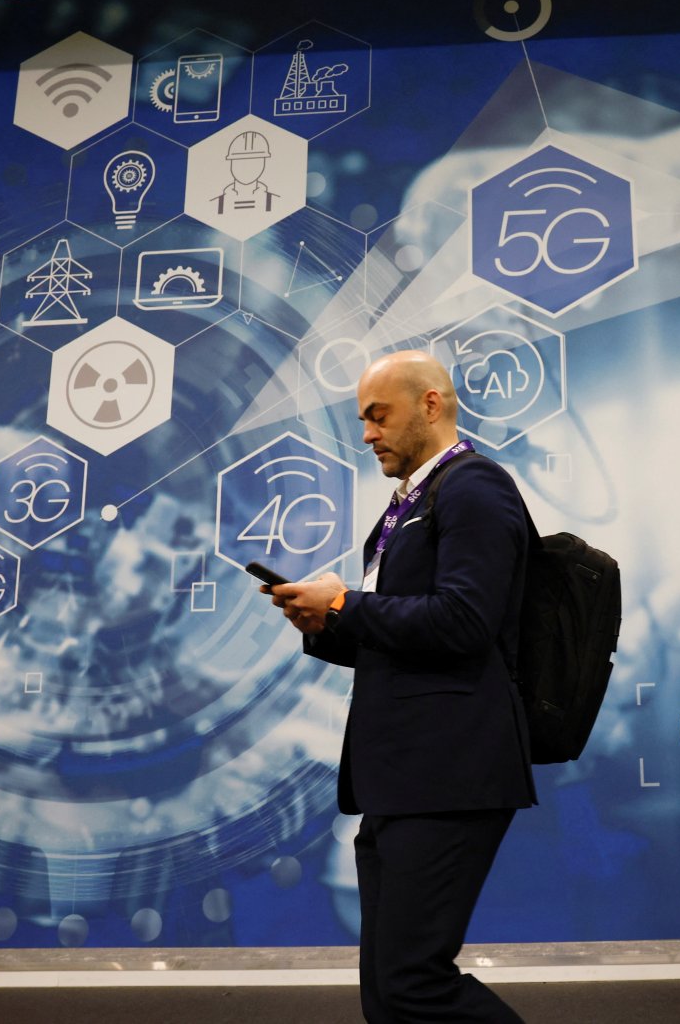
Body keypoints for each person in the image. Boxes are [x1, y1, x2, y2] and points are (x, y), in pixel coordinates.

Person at [266, 350, 535, 1023]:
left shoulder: (474, 487)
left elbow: (465, 622)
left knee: (415, 983)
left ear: (432, 405)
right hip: (403, 777)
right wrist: (324, 622)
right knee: (388, 996)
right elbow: (405, 640)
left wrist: (343, 606)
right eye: (362, 419)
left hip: (448, 773)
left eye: (378, 415)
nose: (367, 433)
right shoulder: (408, 505)